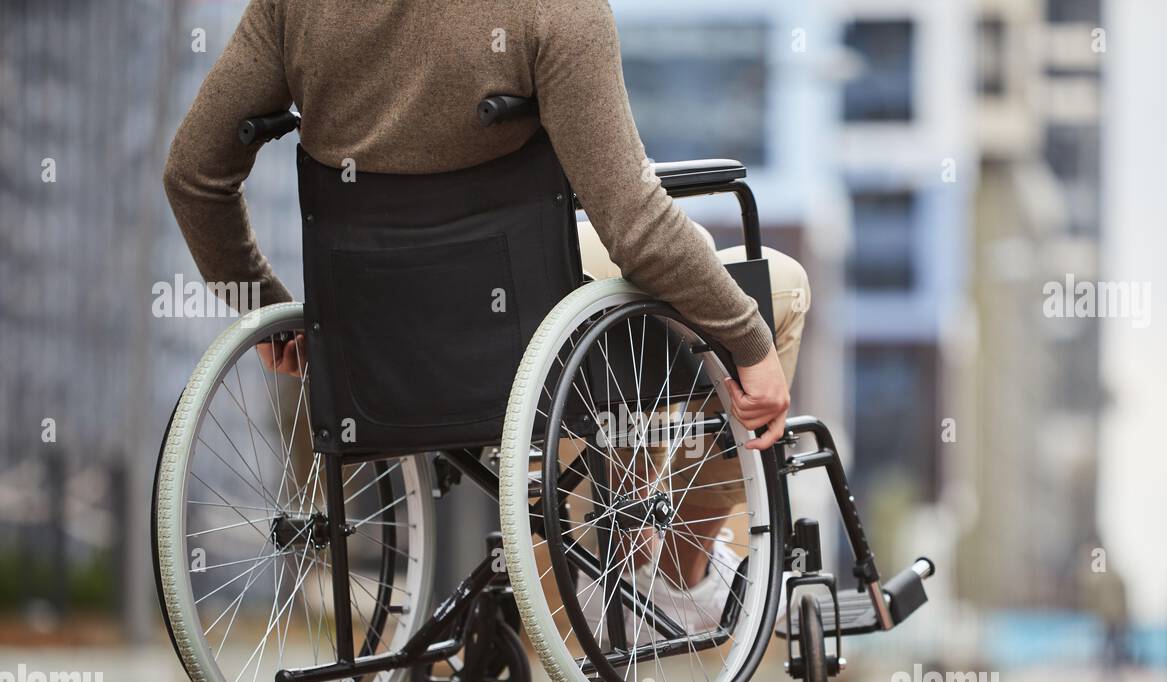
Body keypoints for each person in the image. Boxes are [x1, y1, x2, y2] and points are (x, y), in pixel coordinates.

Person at [163, 0, 809, 620]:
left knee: (666, 260)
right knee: (776, 286)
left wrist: (268, 308)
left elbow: (192, 175)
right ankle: (680, 573)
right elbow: (634, 225)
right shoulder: (556, 11)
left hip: (372, 337)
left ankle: (621, 542)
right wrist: (749, 342)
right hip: (521, 332)